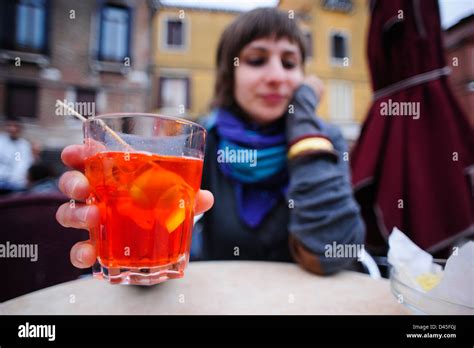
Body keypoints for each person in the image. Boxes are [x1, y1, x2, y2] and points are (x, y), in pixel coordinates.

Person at [56, 8, 365, 274]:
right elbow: (163, 237)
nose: (276, 76)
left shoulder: (322, 139)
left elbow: (333, 250)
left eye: (289, 63)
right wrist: (135, 253)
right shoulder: (202, 142)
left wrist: (303, 115)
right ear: (228, 75)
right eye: (257, 60)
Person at [0, 118, 34, 195]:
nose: (12, 129)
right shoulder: (1, 142)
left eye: (15, 126)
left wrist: (15, 180)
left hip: (15, 184)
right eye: (10, 126)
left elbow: (20, 163)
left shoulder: (23, 145)